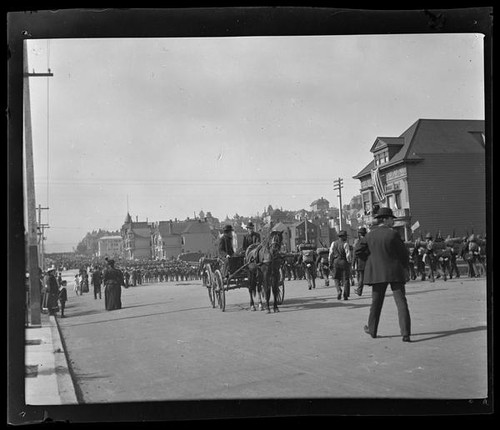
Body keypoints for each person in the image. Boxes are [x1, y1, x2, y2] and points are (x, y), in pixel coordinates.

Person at [355, 207, 412, 342]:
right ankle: (405, 333)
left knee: (376, 302)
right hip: (395, 272)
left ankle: (372, 330)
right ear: (385, 219)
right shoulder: (393, 234)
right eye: (392, 219)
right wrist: (404, 267)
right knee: (401, 302)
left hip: (377, 273)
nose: (393, 222)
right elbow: (404, 254)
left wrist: (371, 259)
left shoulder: (369, 235)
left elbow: (358, 251)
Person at [329, 230, 352, 300]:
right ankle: (345, 294)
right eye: (346, 236)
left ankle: (339, 290)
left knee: (336, 278)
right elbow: (348, 255)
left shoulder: (333, 243)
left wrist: (330, 262)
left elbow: (331, 254)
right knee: (346, 279)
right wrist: (349, 262)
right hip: (344, 262)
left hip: (336, 262)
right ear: (343, 237)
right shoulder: (345, 244)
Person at [353, 227, 368, 296]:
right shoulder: (368, 239)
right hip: (368, 261)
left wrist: (353, 263)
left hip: (361, 261)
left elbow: (355, 252)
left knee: (361, 277)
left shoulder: (359, 241)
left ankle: (359, 290)